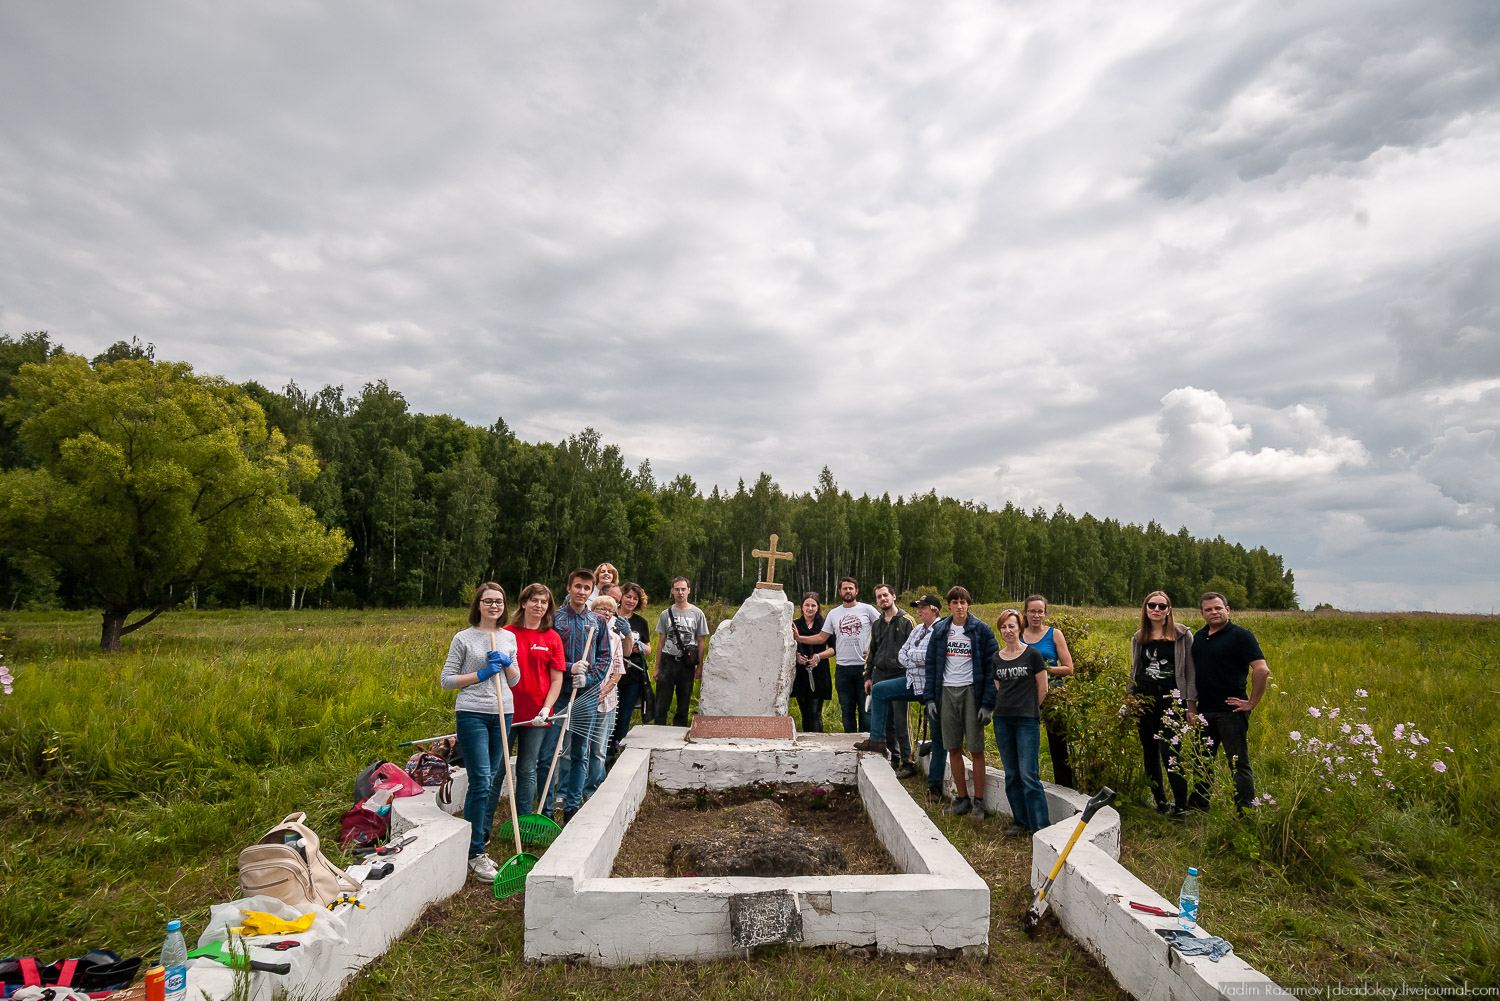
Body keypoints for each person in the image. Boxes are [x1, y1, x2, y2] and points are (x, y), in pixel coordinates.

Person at [439, 582, 521, 881]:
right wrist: (481, 674)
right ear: (479, 605)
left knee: (490, 780)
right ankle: (474, 853)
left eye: (499, 601)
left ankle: (478, 841)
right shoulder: (464, 638)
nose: (494, 606)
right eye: (488, 601)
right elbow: (446, 680)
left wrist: (507, 665)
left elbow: (515, 681)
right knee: (481, 780)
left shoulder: (509, 637)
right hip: (472, 712)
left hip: (503, 711)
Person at [923, 586, 999, 817]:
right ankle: (962, 798)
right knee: (953, 748)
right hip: (946, 692)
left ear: (968, 604)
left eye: (963, 602)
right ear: (949, 606)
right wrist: (930, 699)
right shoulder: (940, 630)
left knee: (976, 749)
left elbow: (991, 669)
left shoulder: (981, 630)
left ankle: (979, 802)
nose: (959, 606)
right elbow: (931, 666)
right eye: (954, 602)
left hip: (971, 692)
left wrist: (987, 704)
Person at [1190, 591, 1269, 812]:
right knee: (1202, 761)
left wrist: (1251, 702)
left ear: (1228, 610)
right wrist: (1192, 708)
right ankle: (1199, 805)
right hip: (1204, 711)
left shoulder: (1241, 636)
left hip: (1231, 712)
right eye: (1208, 609)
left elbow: (1261, 669)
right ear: (1202, 613)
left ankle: (1245, 811)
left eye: (1218, 608)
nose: (1214, 612)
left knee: (1238, 763)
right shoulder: (1198, 637)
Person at [861, 593, 944, 797]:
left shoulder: (941, 629)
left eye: (923, 607)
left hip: (933, 688)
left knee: (937, 736)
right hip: (912, 682)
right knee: (879, 691)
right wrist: (915, 658)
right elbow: (902, 654)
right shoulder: (918, 629)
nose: (919, 609)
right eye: (918, 607)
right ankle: (878, 741)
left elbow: (931, 657)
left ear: (934, 610)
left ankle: (934, 785)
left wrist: (913, 657)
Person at [1127, 591, 1197, 814]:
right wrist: (1128, 699)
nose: (1156, 610)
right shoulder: (1139, 637)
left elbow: (1190, 670)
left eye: (1161, 606)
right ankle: (1160, 801)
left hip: (1172, 699)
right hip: (1144, 698)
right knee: (1149, 750)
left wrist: (1191, 704)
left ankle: (1181, 805)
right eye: (1152, 605)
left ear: (1169, 610)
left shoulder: (1182, 634)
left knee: (1171, 750)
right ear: (1145, 608)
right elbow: (1135, 669)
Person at [552, 568, 613, 824]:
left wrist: (588, 678)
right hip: (558, 694)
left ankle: (572, 807)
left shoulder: (597, 622)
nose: (581, 591)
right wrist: (568, 669)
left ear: (591, 593)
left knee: (580, 752)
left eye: (586, 588)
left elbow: (605, 657)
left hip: (586, 696)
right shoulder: (555, 619)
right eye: (577, 586)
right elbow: (548, 656)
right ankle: (547, 805)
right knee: (552, 750)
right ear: (569, 588)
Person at [505, 583, 566, 822]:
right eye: (535, 601)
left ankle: (522, 820)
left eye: (544, 602)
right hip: (507, 712)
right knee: (499, 769)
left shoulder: (552, 638)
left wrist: (546, 709)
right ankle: (485, 825)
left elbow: (556, 679)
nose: (539, 606)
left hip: (537, 715)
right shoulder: (507, 633)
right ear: (523, 603)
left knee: (527, 769)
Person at [990, 609, 1051, 837]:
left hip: (1026, 721)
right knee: (1012, 774)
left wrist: (1030, 709)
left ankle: (1041, 828)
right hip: (1002, 721)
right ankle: (1020, 821)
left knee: (1028, 774)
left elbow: (1042, 688)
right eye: (1004, 627)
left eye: (1012, 626)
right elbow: (999, 687)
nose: (1008, 631)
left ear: (1020, 628)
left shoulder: (1032, 655)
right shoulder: (996, 658)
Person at [795, 577, 879, 733]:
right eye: (844, 588)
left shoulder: (867, 610)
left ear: (856, 591)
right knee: (846, 710)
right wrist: (799, 638)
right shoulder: (834, 614)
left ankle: (867, 744)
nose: (848, 591)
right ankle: (850, 745)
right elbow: (821, 637)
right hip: (842, 669)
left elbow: (883, 627)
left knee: (866, 709)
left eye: (851, 588)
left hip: (864, 667)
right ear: (840, 592)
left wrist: (878, 649)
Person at [853, 584, 915, 774]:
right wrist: (868, 676)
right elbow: (872, 651)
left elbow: (914, 648)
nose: (883, 599)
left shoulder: (906, 621)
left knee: (900, 719)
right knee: (885, 719)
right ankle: (893, 756)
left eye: (885, 595)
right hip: (880, 674)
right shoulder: (877, 623)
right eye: (879, 597)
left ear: (894, 596)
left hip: (899, 674)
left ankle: (908, 761)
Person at [1022, 594, 1075, 789]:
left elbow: (1069, 668)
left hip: (1053, 696)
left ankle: (1065, 787)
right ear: (1025, 612)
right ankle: (1030, 784)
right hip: (1026, 697)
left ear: (1045, 613)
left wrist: (1042, 671)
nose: (1036, 615)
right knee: (1028, 743)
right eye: (1032, 611)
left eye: (1040, 612)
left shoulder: (1054, 634)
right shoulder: (1019, 634)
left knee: (1058, 745)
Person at [653, 576, 709, 727]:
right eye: (677, 589)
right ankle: (657, 734)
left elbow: (701, 641)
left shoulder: (697, 614)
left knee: (683, 705)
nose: (680, 592)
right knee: (661, 705)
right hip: (668, 661)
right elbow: (661, 641)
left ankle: (678, 737)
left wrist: (700, 667)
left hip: (687, 664)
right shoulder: (666, 614)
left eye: (683, 589)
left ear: (689, 591)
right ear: (672, 591)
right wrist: (657, 667)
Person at [588, 593, 628, 789]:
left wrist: (602, 693)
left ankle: (593, 788)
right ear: (592, 611)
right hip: (582, 700)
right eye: (601, 609)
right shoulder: (582, 634)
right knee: (574, 750)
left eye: (610, 611)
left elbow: (618, 671)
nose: (606, 613)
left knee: (599, 749)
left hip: (606, 700)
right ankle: (569, 790)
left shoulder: (614, 638)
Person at [609, 582, 653, 756]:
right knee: (609, 713)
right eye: (628, 596)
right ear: (621, 597)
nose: (631, 601)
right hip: (611, 673)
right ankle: (604, 748)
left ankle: (617, 747)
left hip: (632, 674)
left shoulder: (640, 622)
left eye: (635, 598)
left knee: (624, 714)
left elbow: (649, 649)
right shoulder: (610, 616)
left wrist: (641, 646)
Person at [791, 592, 833, 732]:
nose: (810, 608)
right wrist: (795, 656)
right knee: (805, 713)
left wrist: (818, 656)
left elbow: (833, 649)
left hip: (819, 672)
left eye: (813, 605)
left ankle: (818, 744)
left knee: (815, 712)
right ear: (801, 607)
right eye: (807, 605)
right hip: (801, 673)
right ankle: (807, 746)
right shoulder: (794, 624)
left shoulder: (825, 625)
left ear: (818, 607)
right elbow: (786, 647)